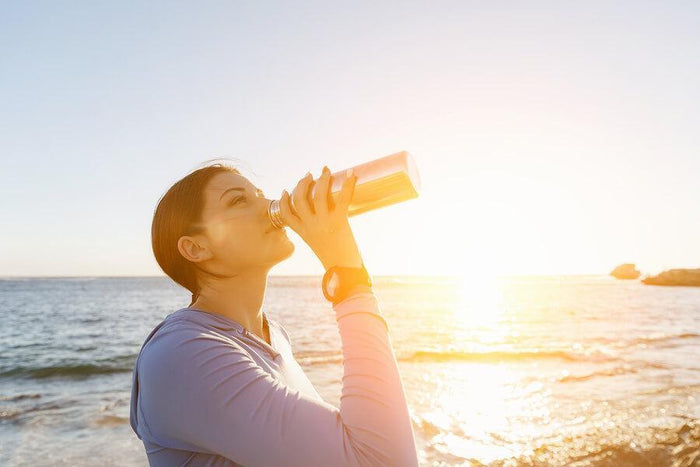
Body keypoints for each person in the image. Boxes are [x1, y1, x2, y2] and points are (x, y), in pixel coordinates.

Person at [129, 161, 419, 466]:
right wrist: (348, 276)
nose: (270, 204)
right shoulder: (182, 354)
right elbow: (383, 460)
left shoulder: (274, 337)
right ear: (196, 248)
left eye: (260, 194)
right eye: (238, 200)